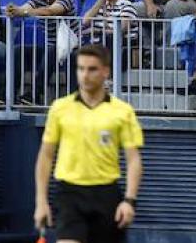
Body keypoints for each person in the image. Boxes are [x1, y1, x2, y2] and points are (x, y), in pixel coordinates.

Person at [35, 44, 142, 243]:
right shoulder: (60, 108)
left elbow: (133, 159)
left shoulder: (122, 111)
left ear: (105, 71)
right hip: (70, 194)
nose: (85, 75)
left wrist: (129, 200)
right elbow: (46, 155)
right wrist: (41, 201)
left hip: (106, 194)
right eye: (80, 68)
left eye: (92, 69)